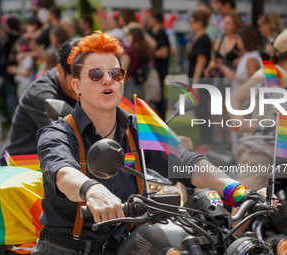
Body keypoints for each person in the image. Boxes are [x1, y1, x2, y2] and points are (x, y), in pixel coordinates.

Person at [33, 31, 271, 255]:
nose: (108, 80)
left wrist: (236, 190)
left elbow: (187, 162)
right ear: (77, 87)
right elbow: (62, 172)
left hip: (130, 246)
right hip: (67, 249)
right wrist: (91, 190)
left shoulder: (140, 128)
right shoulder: (57, 133)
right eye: (96, 74)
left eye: (116, 74)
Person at [229, 27, 287, 232]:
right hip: (261, 150)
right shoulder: (267, 76)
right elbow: (235, 98)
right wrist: (242, 120)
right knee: (245, 208)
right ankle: (229, 243)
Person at [0, 38, 79, 166]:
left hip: (50, 162)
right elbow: (67, 138)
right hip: (21, 168)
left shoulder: (86, 84)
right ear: (60, 70)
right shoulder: (42, 94)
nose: (81, 88)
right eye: (75, 81)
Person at [188, 11, 212, 154]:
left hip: (201, 82)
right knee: (199, 112)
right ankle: (204, 140)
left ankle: (207, 142)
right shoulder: (197, 38)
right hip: (196, 81)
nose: (191, 25)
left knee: (202, 111)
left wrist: (195, 84)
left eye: (192, 22)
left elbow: (200, 62)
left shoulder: (204, 39)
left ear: (199, 23)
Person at [146, 9, 170, 120]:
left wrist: (151, 53)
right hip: (153, 69)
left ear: (154, 20)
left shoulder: (161, 34)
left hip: (160, 69)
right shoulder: (151, 33)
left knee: (158, 96)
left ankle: (162, 120)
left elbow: (164, 52)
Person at [121, 27, 152, 101]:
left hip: (130, 83)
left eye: (129, 35)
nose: (127, 38)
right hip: (141, 84)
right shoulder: (144, 50)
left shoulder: (130, 52)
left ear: (133, 36)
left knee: (129, 109)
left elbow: (122, 69)